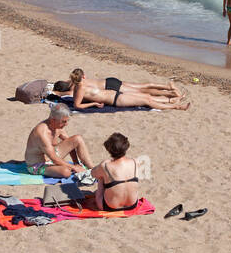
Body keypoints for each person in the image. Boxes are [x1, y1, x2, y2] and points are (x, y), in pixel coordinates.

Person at [56, 68, 189, 111]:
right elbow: (77, 105)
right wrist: (94, 104)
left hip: (115, 94)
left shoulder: (81, 86)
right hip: (116, 99)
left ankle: (172, 100)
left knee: (146, 97)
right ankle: (176, 105)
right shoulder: (79, 89)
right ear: (83, 76)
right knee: (146, 98)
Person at [24, 104, 93, 177]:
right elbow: (54, 158)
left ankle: (91, 168)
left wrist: (76, 163)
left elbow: (71, 144)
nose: (66, 124)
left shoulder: (58, 127)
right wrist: (74, 167)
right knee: (66, 172)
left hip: (52, 156)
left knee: (77, 138)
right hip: (37, 165)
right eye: (63, 121)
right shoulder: (42, 133)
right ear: (53, 120)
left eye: (67, 121)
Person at [82, 132, 141, 211]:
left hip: (109, 207)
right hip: (133, 205)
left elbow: (93, 174)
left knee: (101, 177)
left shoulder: (105, 165)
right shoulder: (135, 162)